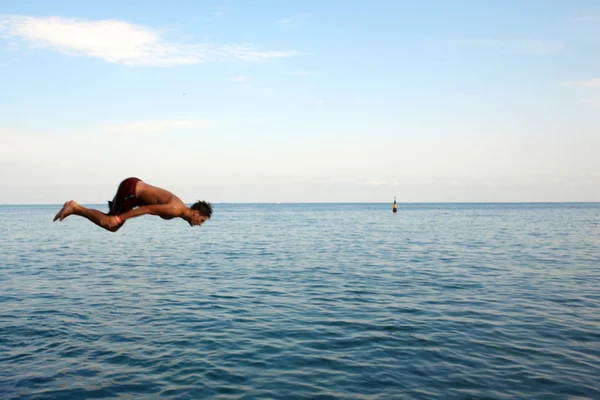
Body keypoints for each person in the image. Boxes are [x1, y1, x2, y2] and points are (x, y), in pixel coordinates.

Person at [53, 177, 212, 232]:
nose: (200, 224)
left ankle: (75, 209)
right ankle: (75, 207)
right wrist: (121, 218)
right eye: (202, 220)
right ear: (196, 213)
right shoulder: (176, 209)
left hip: (133, 189)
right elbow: (147, 209)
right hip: (131, 191)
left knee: (111, 224)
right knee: (111, 224)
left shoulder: (179, 210)